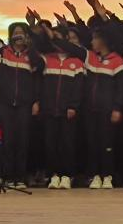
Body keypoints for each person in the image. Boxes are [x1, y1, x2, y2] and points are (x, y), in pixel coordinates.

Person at [51, 0, 123, 190]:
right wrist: (53, 35)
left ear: (103, 41)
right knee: (92, 143)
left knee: (107, 143)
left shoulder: (117, 61)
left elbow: (121, 88)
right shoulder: (89, 56)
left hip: (108, 110)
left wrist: (117, 108)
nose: (91, 42)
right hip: (90, 109)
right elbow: (70, 46)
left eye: (94, 39)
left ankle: (107, 176)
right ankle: (95, 176)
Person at [0, 5, 44, 190]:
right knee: (7, 141)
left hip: (24, 104)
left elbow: (38, 79)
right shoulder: (2, 52)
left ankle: (19, 177)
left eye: (22, 33)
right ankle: (7, 177)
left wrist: (36, 101)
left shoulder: (32, 56)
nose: (18, 36)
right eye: (15, 33)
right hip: (5, 104)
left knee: (22, 141)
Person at [31, 21, 85, 190]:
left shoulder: (77, 61)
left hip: (68, 111)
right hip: (49, 109)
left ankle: (67, 175)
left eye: (58, 38)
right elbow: (38, 82)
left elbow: (79, 87)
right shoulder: (47, 59)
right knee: (50, 144)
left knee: (67, 144)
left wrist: (73, 106)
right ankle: (53, 175)